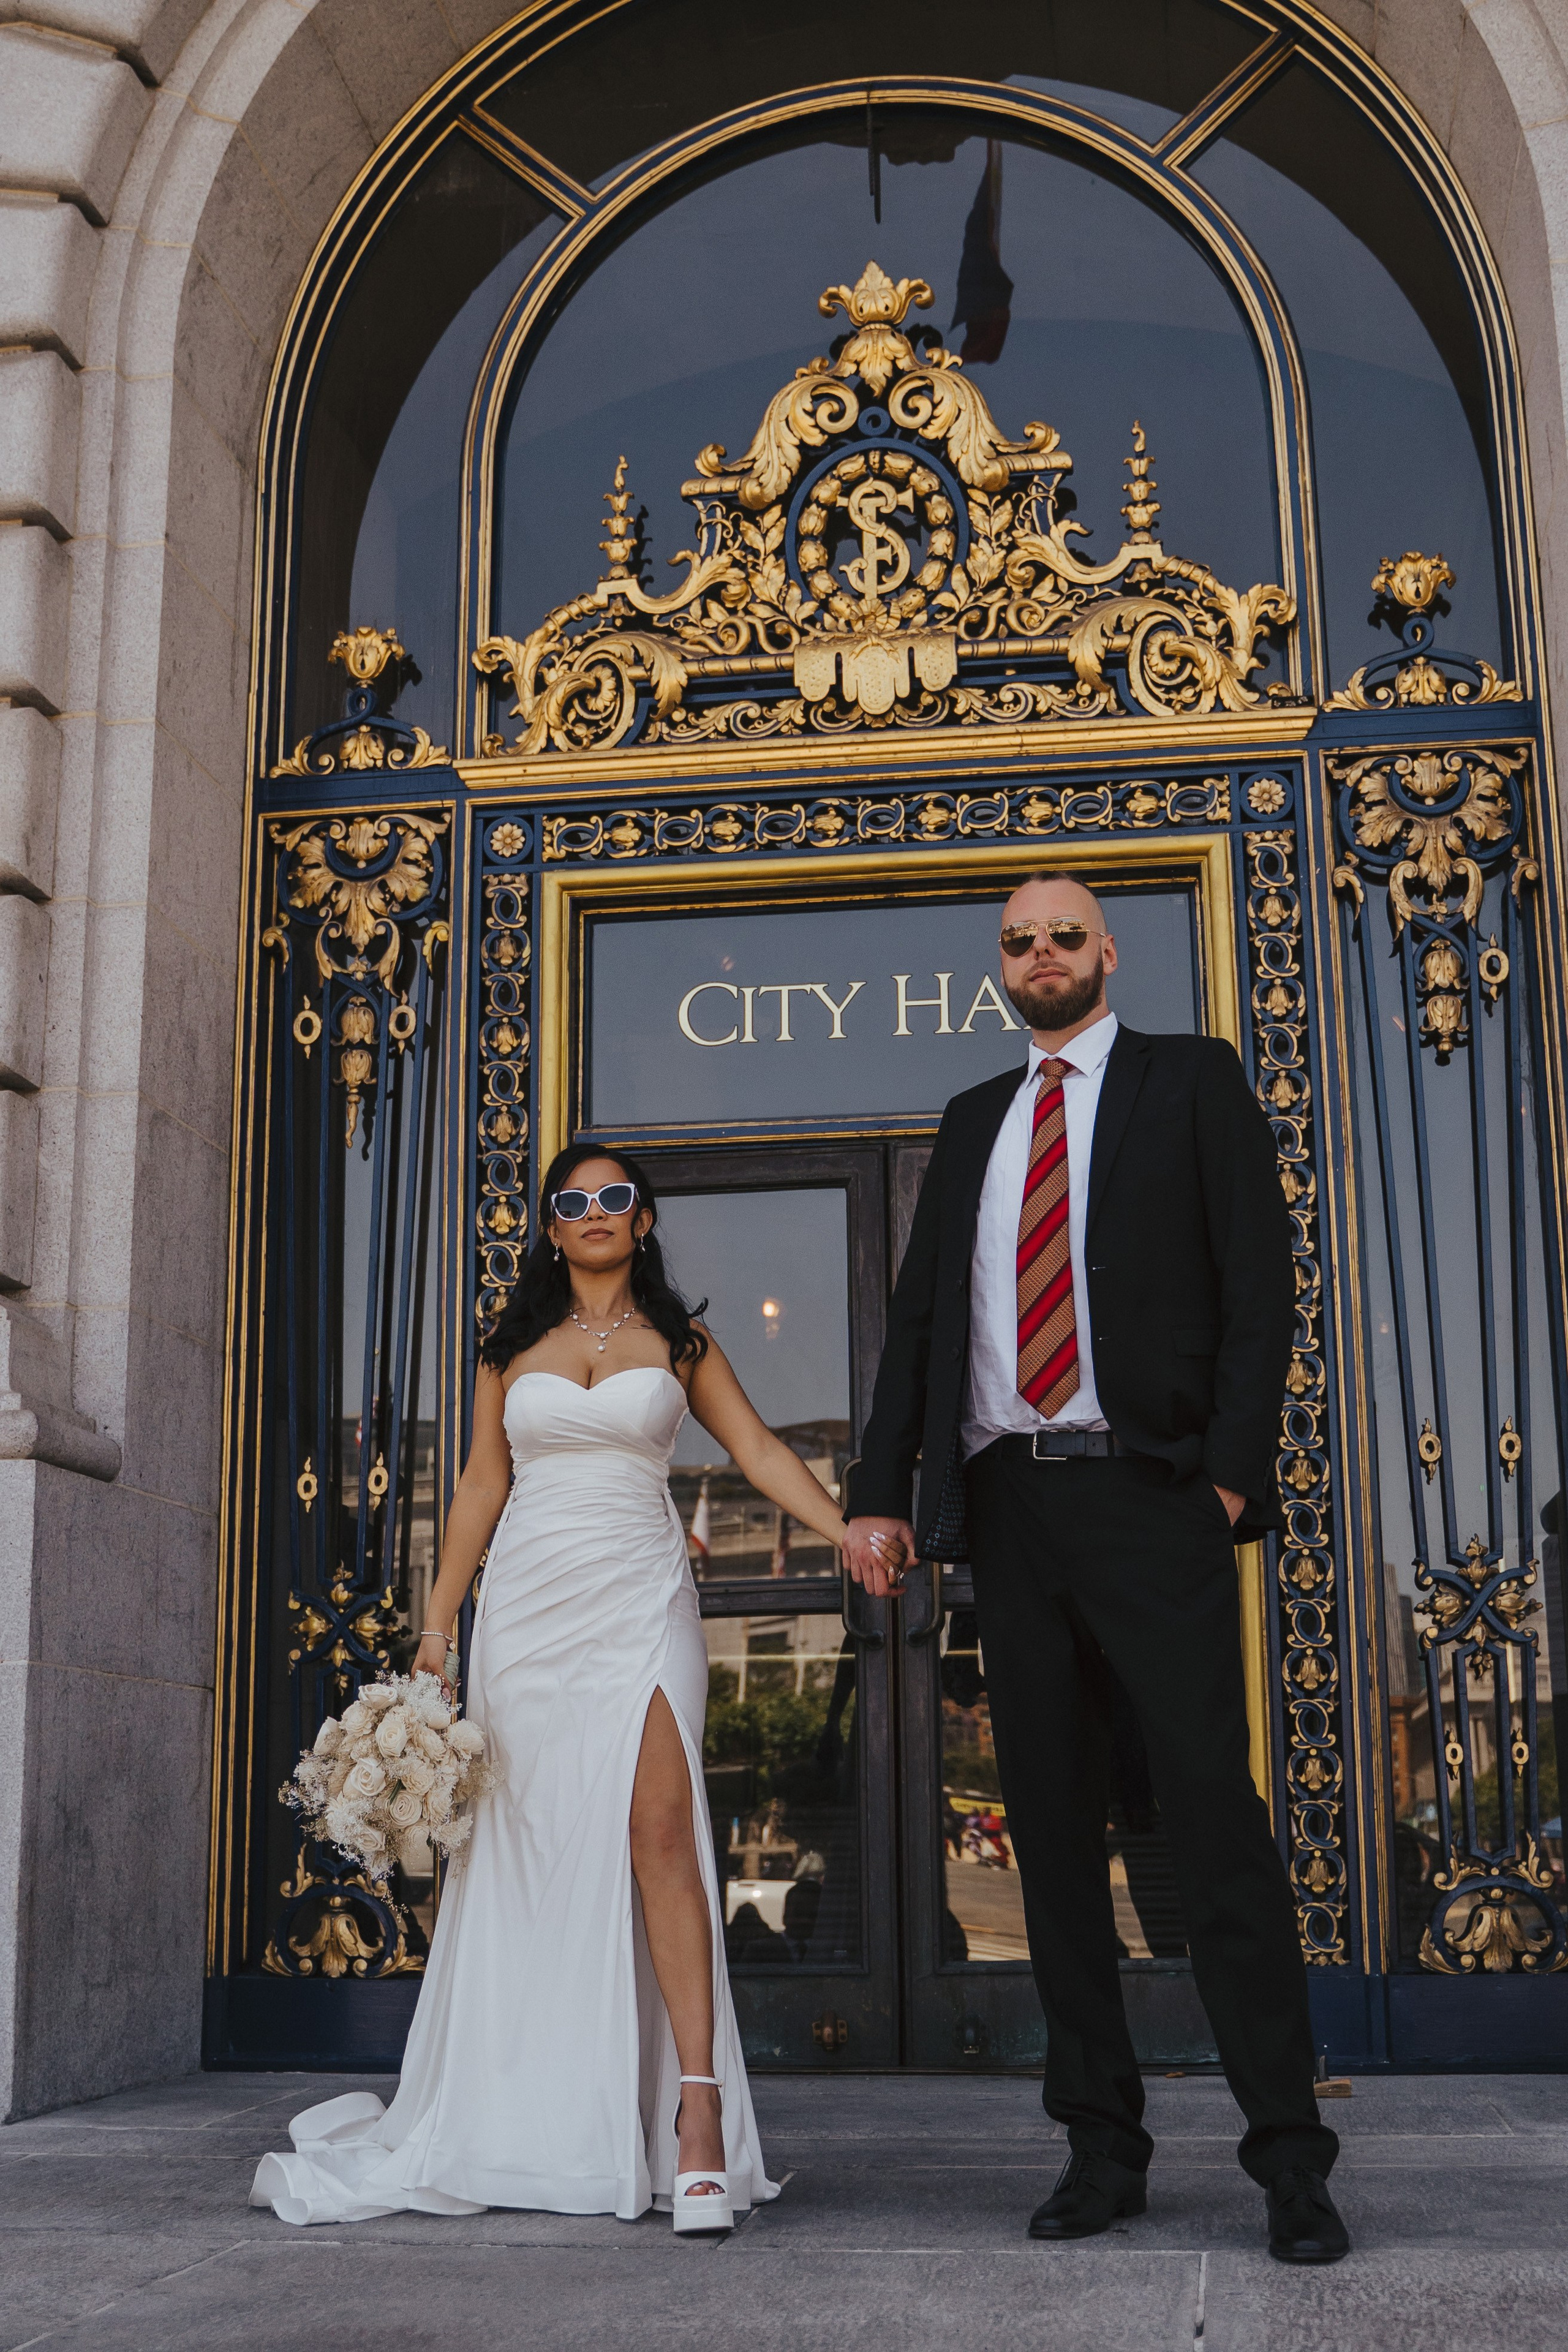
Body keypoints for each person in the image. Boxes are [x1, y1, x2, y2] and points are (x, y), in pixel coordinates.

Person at [843, 870, 1350, 2265]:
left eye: (1063, 935)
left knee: (1211, 1829)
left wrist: (1227, 1476)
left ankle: (1290, 2164)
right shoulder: (971, 1122)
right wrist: (880, 1493)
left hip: (1149, 1497)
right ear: (996, 968)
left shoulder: (1189, 1081)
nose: (1041, 955)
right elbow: (923, 1326)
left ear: (1106, 953)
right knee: (1053, 1839)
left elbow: (1261, 1283)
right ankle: (1099, 2149)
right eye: (1017, 942)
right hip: (1010, 1512)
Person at [252, 1144, 892, 2231]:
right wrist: (437, 1626)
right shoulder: (512, 1346)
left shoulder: (681, 1343)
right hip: (529, 1614)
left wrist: (845, 1529)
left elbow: (755, 1452)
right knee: (530, 1848)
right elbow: (477, 1485)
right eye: (573, 1201)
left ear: (642, 1222)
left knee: (660, 1829)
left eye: (616, 1199)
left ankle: (695, 2121)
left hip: (643, 1599)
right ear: (551, 1228)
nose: (595, 1213)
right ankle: (533, 2113)